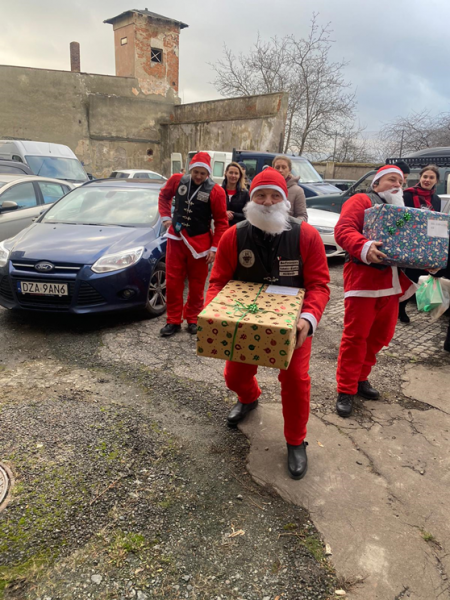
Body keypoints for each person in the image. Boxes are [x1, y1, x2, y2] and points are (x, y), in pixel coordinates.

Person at [205, 168, 330, 480]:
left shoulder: (306, 236)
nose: (268, 201)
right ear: (251, 198)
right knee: (234, 375)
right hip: (242, 324)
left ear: (285, 200)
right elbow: (218, 281)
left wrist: (307, 320)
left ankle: (295, 440)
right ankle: (249, 397)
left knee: (295, 381)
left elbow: (319, 286)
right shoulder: (233, 236)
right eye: (261, 194)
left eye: (275, 195)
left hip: (293, 327)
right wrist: (213, 315)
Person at [334, 165, 416, 418]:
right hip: (364, 283)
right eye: (392, 180)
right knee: (356, 337)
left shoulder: (403, 212)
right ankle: (345, 389)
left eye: (400, 182)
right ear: (376, 184)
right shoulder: (361, 200)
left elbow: (415, 244)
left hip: (392, 284)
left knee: (381, 335)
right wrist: (365, 246)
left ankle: (360, 378)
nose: (397, 185)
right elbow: (343, 230)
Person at [158, 152, 228, 337]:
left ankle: (194, 319)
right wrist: (166, 218)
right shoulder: (176, 180)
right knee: (173, 282)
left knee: (197, 285)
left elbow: (221, 222)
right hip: (176, 239)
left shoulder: (216, 191)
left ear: (208, 174)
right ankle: (173, 320)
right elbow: (163, 197)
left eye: (202, 174)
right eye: (196, 172)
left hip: (200, 244)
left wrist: (214, 248)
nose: (198, 176)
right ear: (191, 169)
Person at [398, 164, 442, 324]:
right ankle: (400, 309)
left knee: (416, 276)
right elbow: (402, 217)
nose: (427, 180)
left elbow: (435, 221)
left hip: (425, 243)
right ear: (420, 178)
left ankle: (401, 307)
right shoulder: (408, 195)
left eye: (431, 177)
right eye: (425, 176)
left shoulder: (436, 199)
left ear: (436, 180)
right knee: (406, 275)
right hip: (409, 241)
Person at [272, 155, 308, 222]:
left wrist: (291, 225)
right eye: (277, 167)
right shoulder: (267, 188)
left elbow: (302, 216)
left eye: (284, 167)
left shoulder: (297, 191)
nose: (280, 170)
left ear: (289, 170)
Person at [222, 162, 250, 227]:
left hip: (238, 230)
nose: (233, 176)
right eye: (231, 172)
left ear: (240, 175)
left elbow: (248, 215)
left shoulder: (245, 193)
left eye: (236, 173)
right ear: (226, 173)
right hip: (221, 229)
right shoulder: (218, 191)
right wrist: (224, 214)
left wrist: (233, 215)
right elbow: (211, 213)